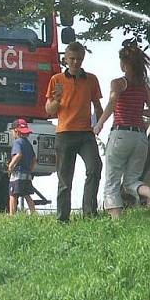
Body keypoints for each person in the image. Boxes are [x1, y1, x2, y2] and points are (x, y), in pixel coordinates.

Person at [93, 45, 150, 218]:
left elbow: (112, 103)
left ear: (124, 64)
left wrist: (99, 124)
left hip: (121, 133)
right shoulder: (144, 86)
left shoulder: (118, 83)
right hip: (140, 137)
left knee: (112, 181)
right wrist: (139, 111)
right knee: (132, 180)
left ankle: (117, 222)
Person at [45, 41, 104, 223]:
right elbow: (49, 110)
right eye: (72, 59)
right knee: (65, 179)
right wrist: (57, 99)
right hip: (64, 133)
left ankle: (90, 214)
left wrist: (98, 124)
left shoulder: (91, 79)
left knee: (95, 167)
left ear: (83, 58)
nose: (75, 62)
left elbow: (98, 106)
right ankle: (63, 219)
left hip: (86, 134)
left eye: (79, 59)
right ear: (65, 59)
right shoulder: (57, 80)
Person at [7, 118, 37, 215]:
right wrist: (30, 170)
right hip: (27, 174)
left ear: (16, 131)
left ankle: (12, 215)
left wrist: (11, 166)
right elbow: (34, 158)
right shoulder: (28, 143)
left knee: (12, 194)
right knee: (27, 194)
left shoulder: (17, 142)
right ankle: (33, 212)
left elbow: (18, 155)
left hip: (17, 174)